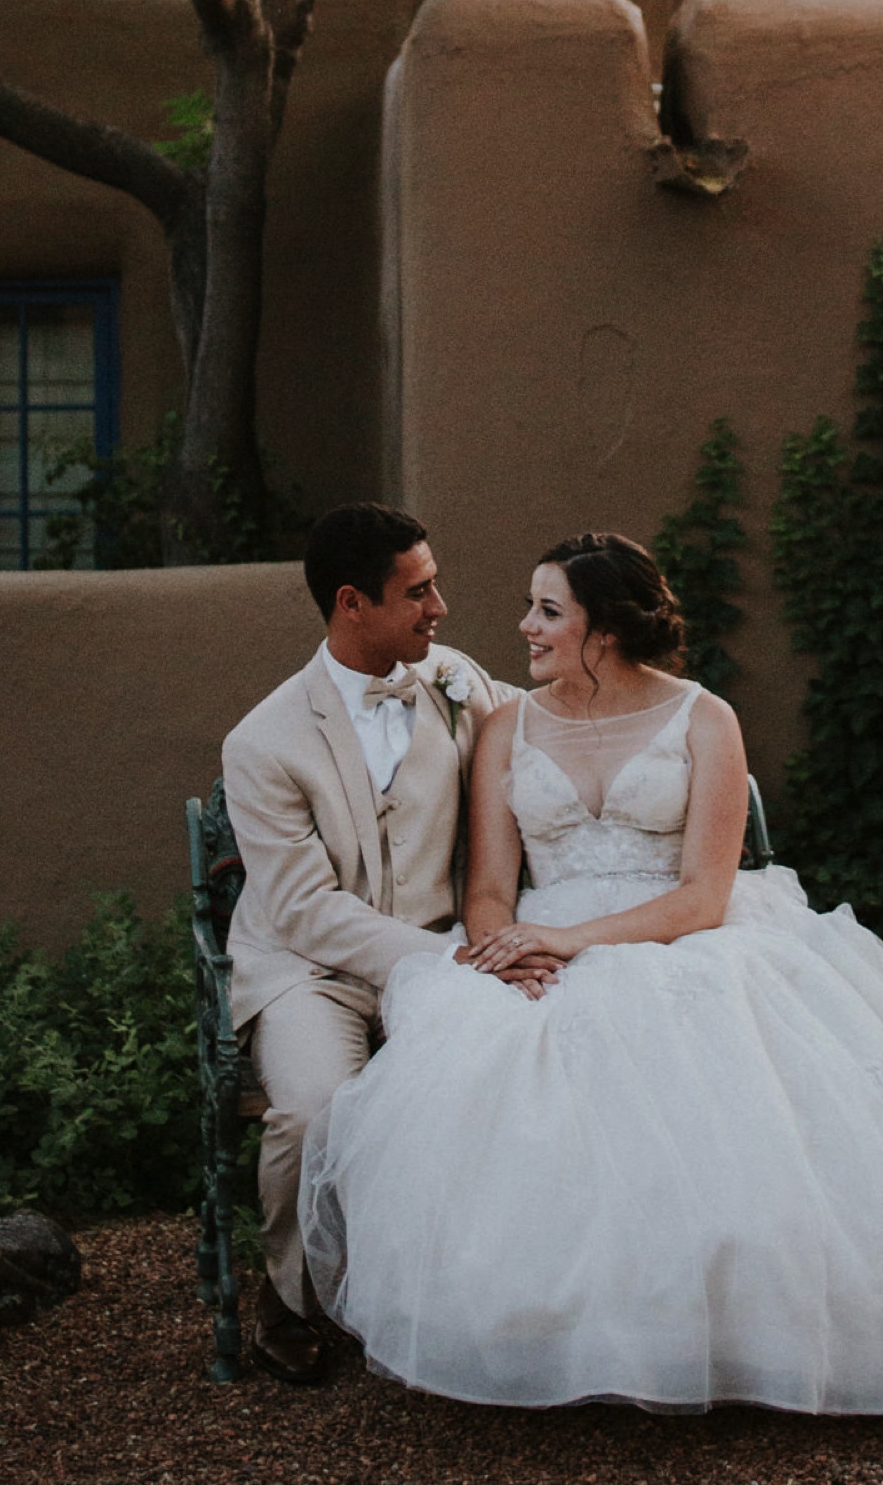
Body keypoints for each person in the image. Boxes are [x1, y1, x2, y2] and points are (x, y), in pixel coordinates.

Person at [300, 531, 883, 1418]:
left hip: (683, 940)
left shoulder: (704, 718)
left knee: (732, 1106)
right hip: (538, 947)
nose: (523, 625)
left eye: (547, 610)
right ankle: (555, 1337)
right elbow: (487, 889)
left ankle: (746, 1339)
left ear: (603, 629)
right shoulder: (506, 727)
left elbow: (703, 896)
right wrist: (505, 953)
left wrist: (577, 945)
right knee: (506, 1078)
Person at [220, 502, 539, 1383]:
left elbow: (547, 740)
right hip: (310, 972)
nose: (439, 608)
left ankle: (477, 1288)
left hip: (448, 944)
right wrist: (450, 961)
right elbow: (301, 909)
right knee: (318, 1107)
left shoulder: (454, 680)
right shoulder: (263, 743)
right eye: (419, 592)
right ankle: (288, 1298)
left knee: (523, 1070)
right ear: (352, 603)